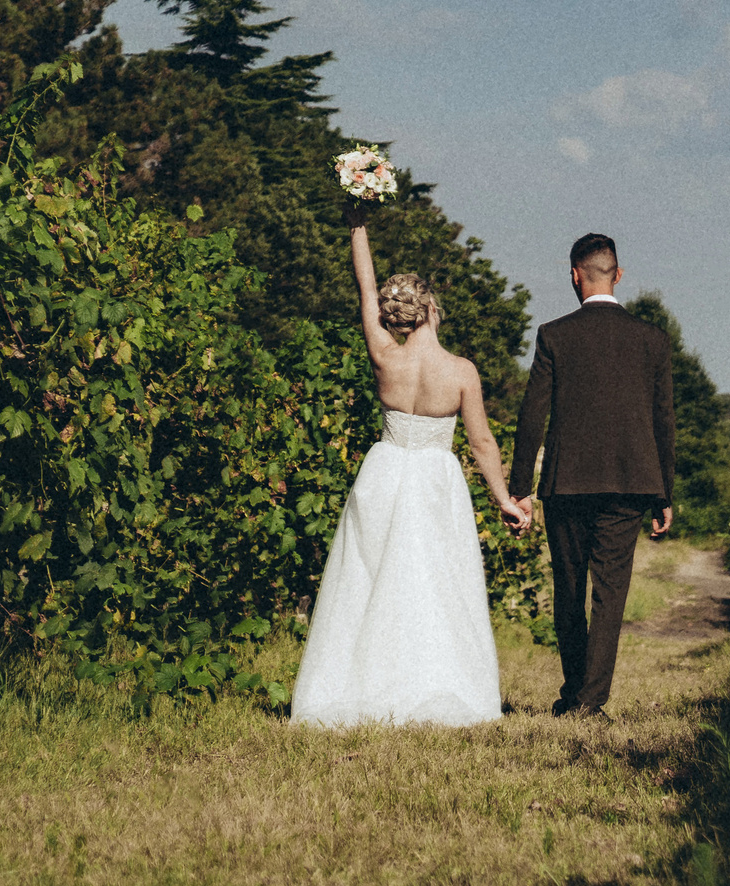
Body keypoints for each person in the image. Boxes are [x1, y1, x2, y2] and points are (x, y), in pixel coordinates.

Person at [289, 203, 528, 727]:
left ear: (398, 315)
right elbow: (483, 441)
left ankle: (358, 684)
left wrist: (357, 223)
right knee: (435, 585)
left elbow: (365, 288)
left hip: (385, 470)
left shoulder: (384, 356)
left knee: (366, 580)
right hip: (434, 479)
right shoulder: (461, 371)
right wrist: (504, 499)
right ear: (432, 310)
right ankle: (432, 684)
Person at [508, 233, 675, 719]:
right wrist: (665, 492)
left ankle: (575, 691)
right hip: (632, 481)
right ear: (618, 275)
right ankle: (590, 700)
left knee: (569, 588)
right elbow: (663, 420)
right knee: (610, 592)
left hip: (567, 482)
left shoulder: (554, 335)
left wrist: (520, 489)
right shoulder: (653, 340)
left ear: (574, 274)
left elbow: (531, 415)